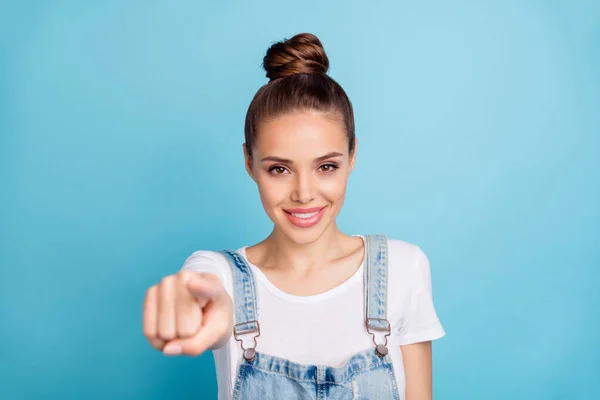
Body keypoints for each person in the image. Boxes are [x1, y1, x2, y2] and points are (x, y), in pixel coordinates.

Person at [142, 32, 445, 400]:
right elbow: (201, 291)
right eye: (279, 169)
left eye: (326, 166)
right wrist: (197, 309)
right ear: (249, 163)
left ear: (352, 157)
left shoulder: (402, 268)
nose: (303, 193)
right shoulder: (219, 273)